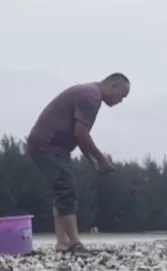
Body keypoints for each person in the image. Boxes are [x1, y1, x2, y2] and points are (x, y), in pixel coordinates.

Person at [26, 73, 130, 255]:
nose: (120, 101)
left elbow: (80, 136)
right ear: (114, 86)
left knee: (62, 190)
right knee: (66, 189)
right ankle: (75, 244)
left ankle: (63, 243)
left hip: (55, 147)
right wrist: (101, 158)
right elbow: (81, 133)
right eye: (122, 96)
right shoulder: (91, 96)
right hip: (47, 144)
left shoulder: (89, 93)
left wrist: (93, 163)